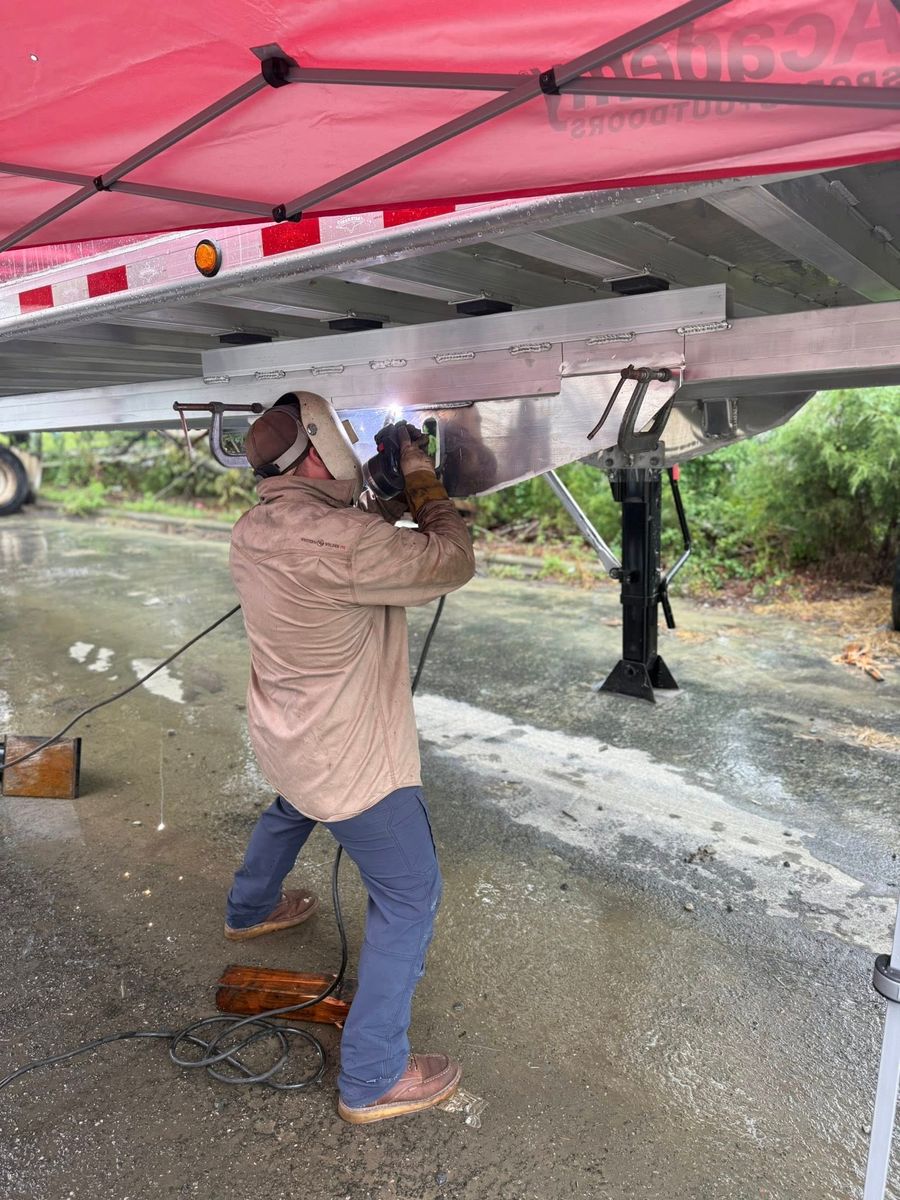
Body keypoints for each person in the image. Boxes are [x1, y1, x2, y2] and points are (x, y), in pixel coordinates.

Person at [225, 392, 475, 1124]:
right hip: (350, 761)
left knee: (293, 803)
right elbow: (450, 560)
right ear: (316, 449)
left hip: (287, 738)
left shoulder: (254, 529)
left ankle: (250, 909)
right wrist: (421, 477)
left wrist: (384, 497)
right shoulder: (346, 542)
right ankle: (372, 1077)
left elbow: (348, 545)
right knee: (410, 896)